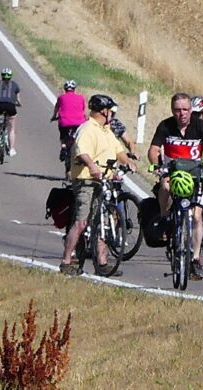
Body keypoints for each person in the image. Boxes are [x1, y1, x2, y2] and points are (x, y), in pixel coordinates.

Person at [60, 94, 134, 275]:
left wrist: (127, 162)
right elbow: (82, 152)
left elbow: (118, 150)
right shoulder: (87, 128)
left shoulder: (106, 130)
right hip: (87, 181)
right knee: (81, 222)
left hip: (104, 181)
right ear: (103, 111)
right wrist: (92, 166)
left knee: (101, 222)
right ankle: (66, 261)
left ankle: (102, 263)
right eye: (111, 111)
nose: (113, 115)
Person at [149, 92, 203, 281]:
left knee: (197, 216)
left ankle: (195, 258)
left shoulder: (199, 125)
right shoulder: (165, 125)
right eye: (178, 110)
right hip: (172, 173)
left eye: (185, 109)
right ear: (172, 110)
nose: (182, 114)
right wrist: (157, 166)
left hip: (194, 175)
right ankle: (164, 217)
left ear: (191, 110)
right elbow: (154, 149)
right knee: (164, 186)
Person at [51, 80, 86, 170]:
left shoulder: (61, 97)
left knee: (63, 136)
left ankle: (63, 146)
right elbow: (82, 110)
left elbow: (57, 108)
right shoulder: (81, 97)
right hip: (79, 122)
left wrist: (54, 117)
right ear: (74, 89)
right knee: (79, 138)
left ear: (65, 89)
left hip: (65, 122)